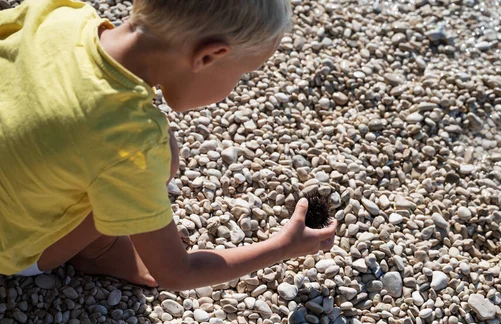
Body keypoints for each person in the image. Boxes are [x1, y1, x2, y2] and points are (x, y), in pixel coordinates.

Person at [0, 0, 338, 290]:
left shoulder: (62, 14)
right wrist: (282, 247)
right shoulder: (130, 144)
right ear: (208, 56)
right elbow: (177, 273)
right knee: (148, 165)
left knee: (155, 156)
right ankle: (99, 251)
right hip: (12, 248)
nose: (236, 86)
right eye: (242, 74)